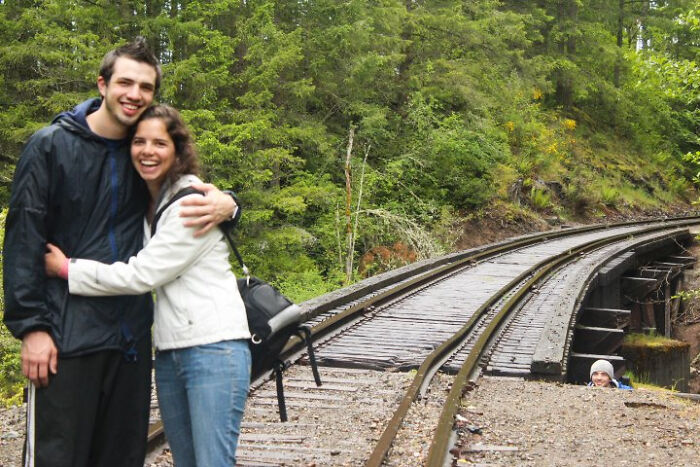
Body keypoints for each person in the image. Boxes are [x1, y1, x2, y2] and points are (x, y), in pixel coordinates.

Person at [2, 39, 237, 467]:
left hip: (128, 341)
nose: (134, 94)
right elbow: (23, 240)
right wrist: (31, 327)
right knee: (58, 458)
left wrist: (230, 204)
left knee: (121, 458)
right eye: (125, 82)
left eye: (145, 87)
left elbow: (189, 195)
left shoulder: (143, 152)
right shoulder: (51, 146)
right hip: (65, 339)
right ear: (102, 84)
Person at [45, 104, 251, 466]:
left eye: (159, 143)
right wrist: (233, 205)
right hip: (172, 351)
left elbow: (142, 275)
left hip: (213, 349)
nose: (147, 151)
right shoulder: (148, 202)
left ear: (177, 150)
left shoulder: (192, 203)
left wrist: (67, 269)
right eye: (139, 141)